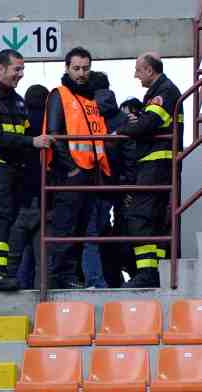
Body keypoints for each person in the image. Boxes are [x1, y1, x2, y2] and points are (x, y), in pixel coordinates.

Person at [0, 49, 53, 291]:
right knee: (0, 217)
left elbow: (25, 132)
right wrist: (31, 143)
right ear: (1, 69)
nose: (20, 74)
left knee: (4, 218)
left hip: (10, 168)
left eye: (22, 69)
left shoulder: (17, 101)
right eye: (17, 69)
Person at [44, 47, 113, 289]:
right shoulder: (60, 95)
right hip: (71, 174)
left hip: (92, 174)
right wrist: (71, 169)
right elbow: (54, 133)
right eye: (76, 68)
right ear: (67, 69)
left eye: (85, 68)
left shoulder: (89, 99)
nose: (82, 73)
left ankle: (70, 277)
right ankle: (60, 276)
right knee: (66, 227)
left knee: (84, 228)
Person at [117, 52, 183, 288]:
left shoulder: (163, 92)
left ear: (149, 70)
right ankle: (153, 271)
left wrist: (123, 128)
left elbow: (146, 124)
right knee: (154, 220)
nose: (136, 75)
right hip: (158, 166)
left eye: (138, 70)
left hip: (156, 166)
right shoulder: (161, 91)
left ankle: (147, 272)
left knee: (139, 216)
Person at [9, 84, 49, 289]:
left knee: (15, 252)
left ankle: (11, 288)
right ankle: (41, 294)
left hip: (21, 195)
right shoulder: (50, 123)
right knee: (42, 255)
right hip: (45, 195)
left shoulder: (19, 120)